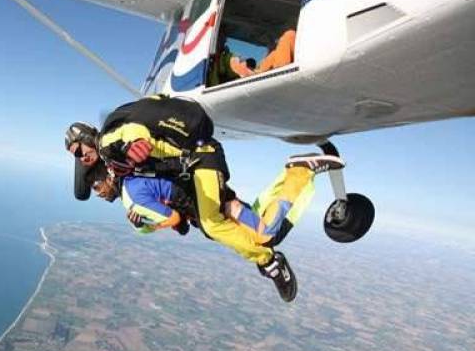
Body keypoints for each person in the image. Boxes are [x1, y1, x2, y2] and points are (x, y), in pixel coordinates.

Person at [65, 96, 344, 302]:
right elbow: (177, 217)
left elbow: (131, 132)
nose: (81, 158)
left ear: (88, 138)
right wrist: (148, 221)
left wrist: (136, 145)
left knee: (213, 225)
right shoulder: (127, 171)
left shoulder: (107, 144)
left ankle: (268, 262)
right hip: (201, 174)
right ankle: (298, 172)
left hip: (201, 160)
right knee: (266, 233)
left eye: (78, 151)